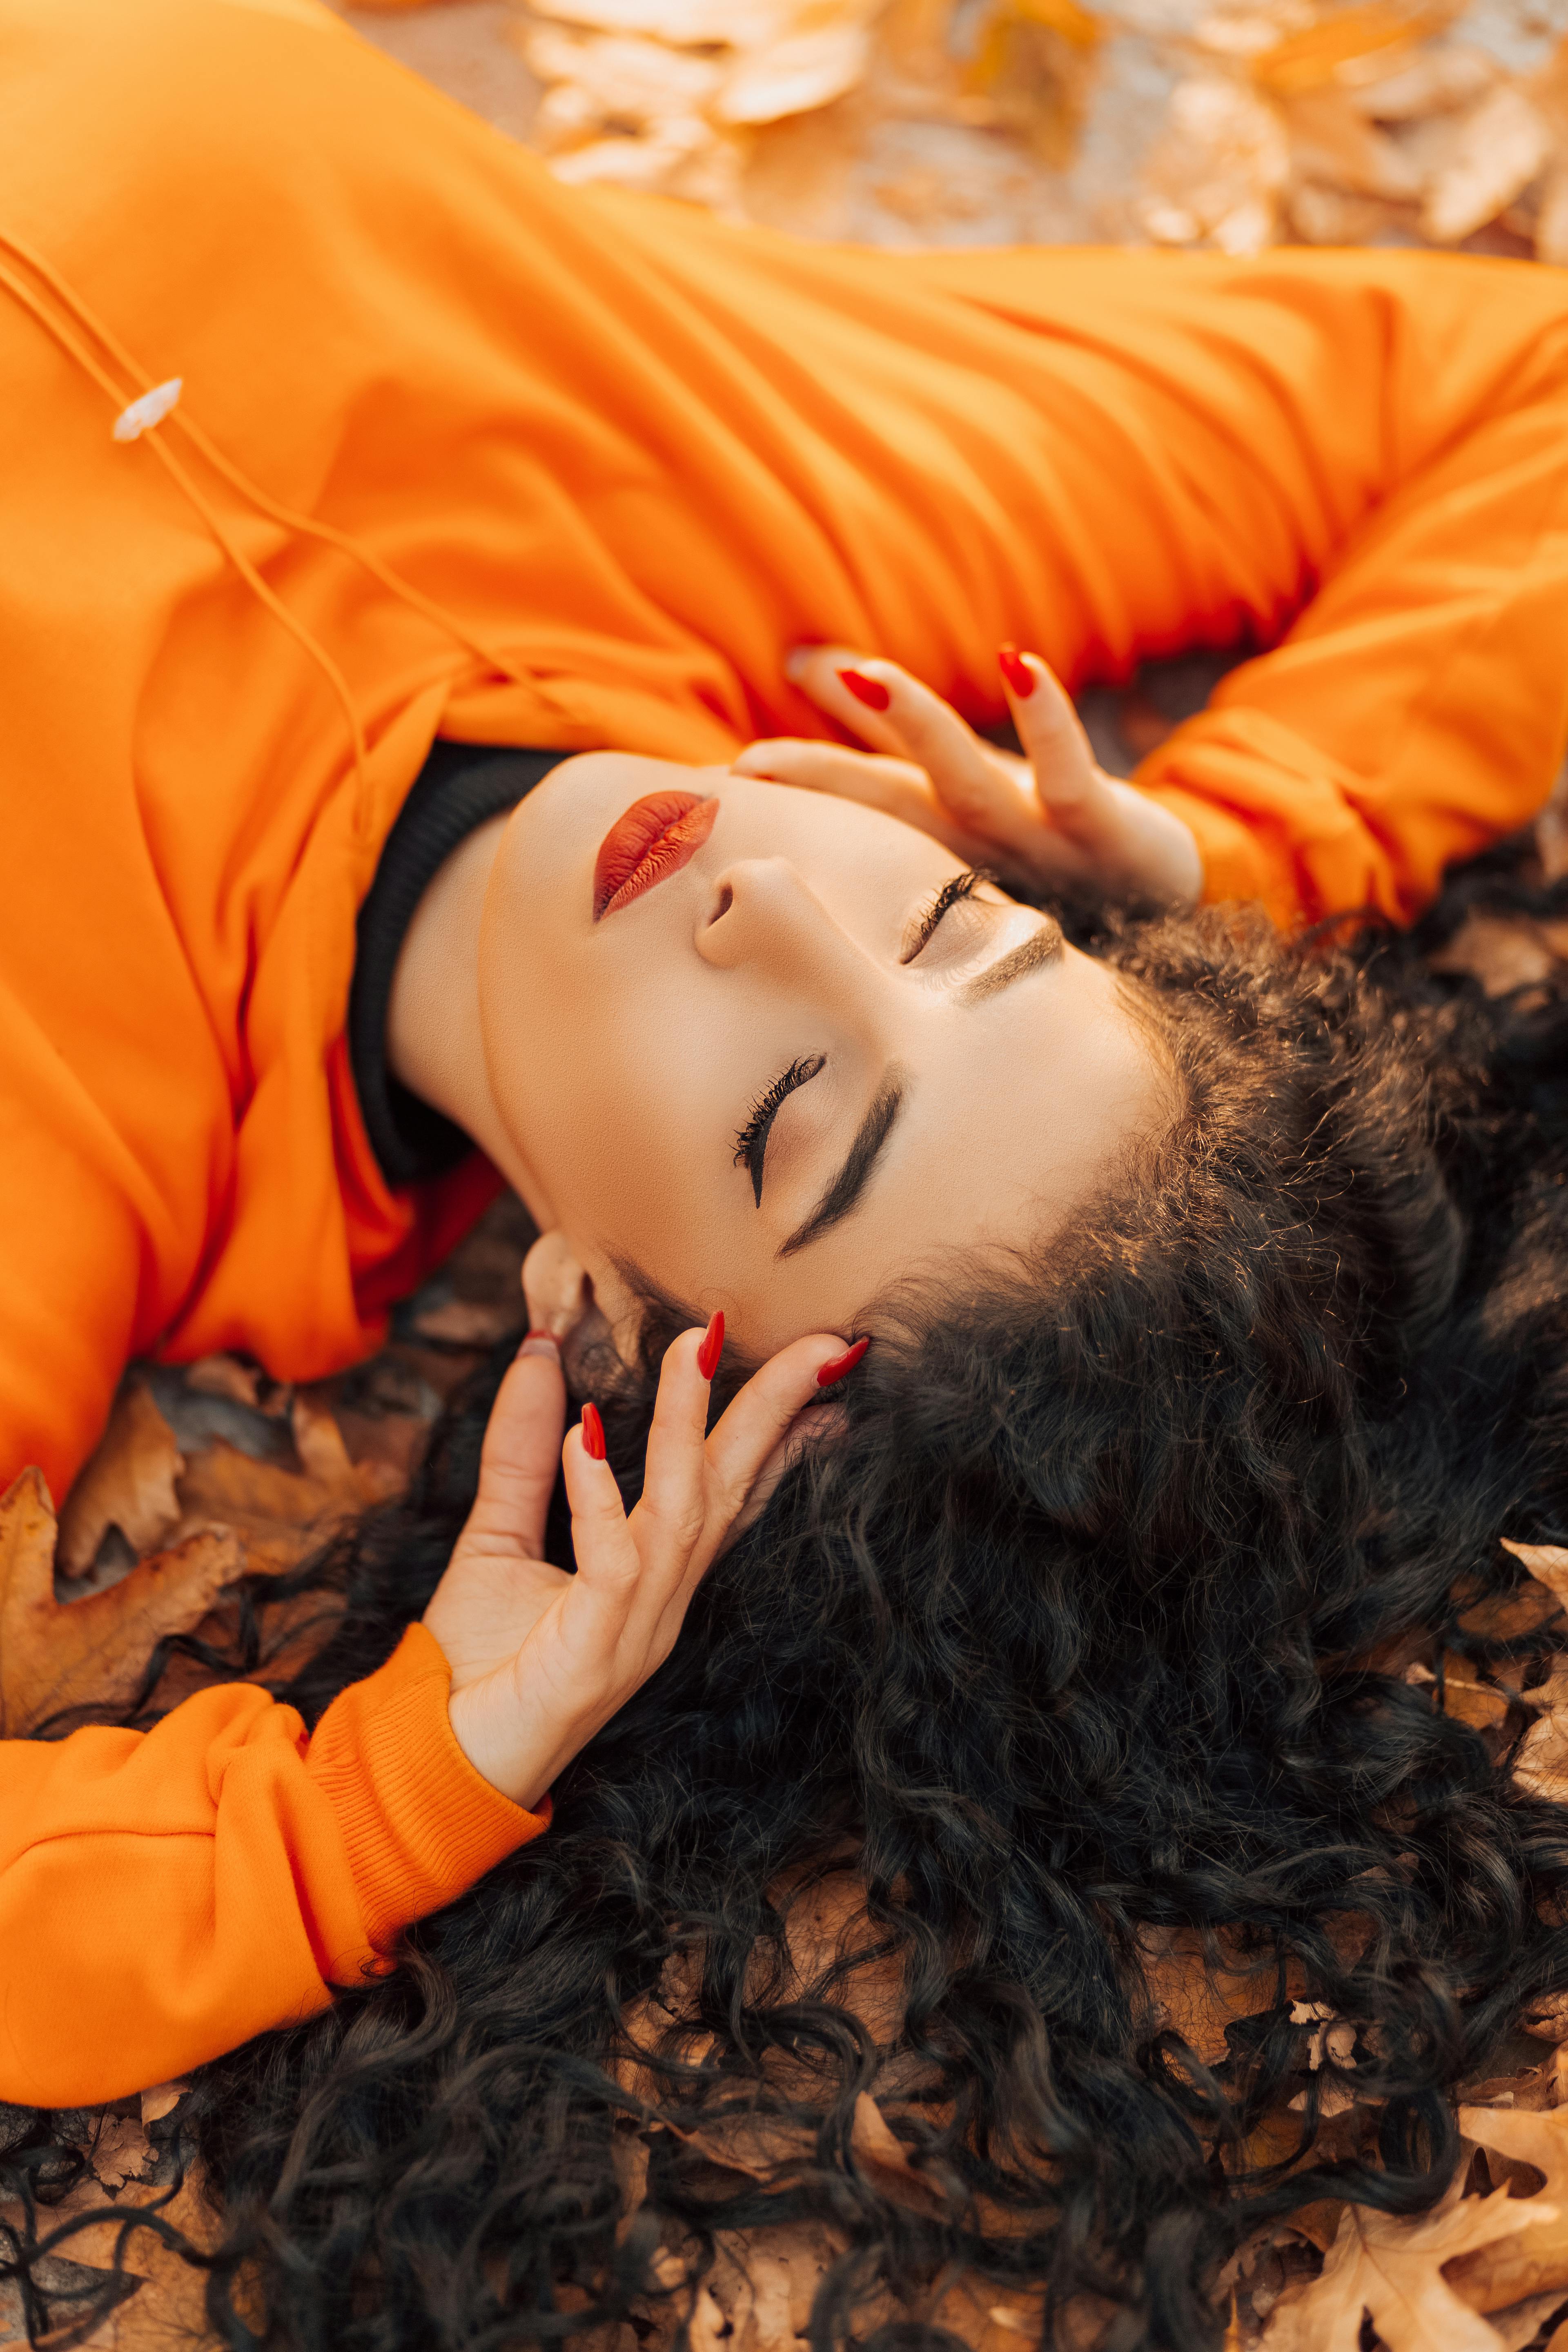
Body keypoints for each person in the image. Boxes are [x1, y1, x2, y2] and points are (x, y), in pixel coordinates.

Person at [0, 0, 1566, 2126]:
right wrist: (1236, 853)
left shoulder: (57, 1149)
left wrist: (364, 1808)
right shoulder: (829, 552)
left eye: (793, 1122)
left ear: (615, 1333)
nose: (773, 902)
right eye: (957, 929)